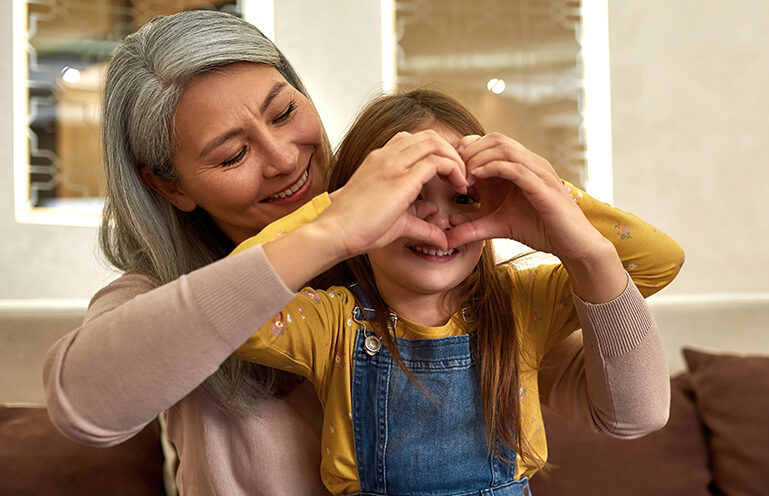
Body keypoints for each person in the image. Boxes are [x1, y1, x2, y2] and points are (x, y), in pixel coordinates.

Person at [42, 10, 683, 496]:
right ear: (170, 187)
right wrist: (330, 229)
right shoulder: (166, 297)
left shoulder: (455, 290)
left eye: (284, 113)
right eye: (233, 154)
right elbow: (85, 406)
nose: (283, 158)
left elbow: (633, 413)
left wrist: (556, 205)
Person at [230, 89, 681, 495]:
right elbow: (228, 308)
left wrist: (554, 198)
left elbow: (659, 261)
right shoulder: (331, 323)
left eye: (464, 198)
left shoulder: (522, 303)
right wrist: (336, 214)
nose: (439, 219)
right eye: (408, 196)